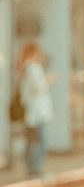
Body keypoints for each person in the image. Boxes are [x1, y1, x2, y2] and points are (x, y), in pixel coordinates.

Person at [17, 42, 54, 177]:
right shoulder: (32, 67)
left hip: (32, 112)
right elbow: (37, 88)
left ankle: (29, 168)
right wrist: (48, 80)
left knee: (31, 140)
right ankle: (34, 169)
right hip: (37, 112)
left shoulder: (25, 68)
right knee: (41, 141)